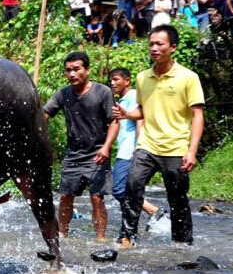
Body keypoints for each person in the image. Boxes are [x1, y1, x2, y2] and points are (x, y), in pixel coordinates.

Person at [113, 25, 205, 247]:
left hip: (176, 148)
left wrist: (192, 150)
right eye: (151, 44)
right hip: (147, 145)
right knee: (132, 186)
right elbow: (143, 111)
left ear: (172, 47)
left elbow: (197, 115)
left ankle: (182, 244)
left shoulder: (188, 77)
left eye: (159, 44)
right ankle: (127, 237)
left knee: (178, 199)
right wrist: (127, 114)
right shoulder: (143, 77)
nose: (154, 48)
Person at [43, 51, 118, 241]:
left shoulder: (103, 92)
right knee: (66, 196)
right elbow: (45, 114)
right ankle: (63, 235)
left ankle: (100, 238)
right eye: (68, 70)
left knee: (96, 197)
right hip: (73, 154)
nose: (72, 74)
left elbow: (114, 122)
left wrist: (106, 147)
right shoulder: (63, 94)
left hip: (97, 153)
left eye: (76, 69)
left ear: (87, 70)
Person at [108, 67, 164, 225]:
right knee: (125, 190)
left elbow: (140, 120)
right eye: (111, 80)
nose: (112, 83)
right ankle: (131, 228)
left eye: (116, 79)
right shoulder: (121, 100)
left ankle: (154, 211)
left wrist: (138, 148)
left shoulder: (133, 96)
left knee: (119, 190)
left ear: (127, 81)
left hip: (130, 152)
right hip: (124, 151)